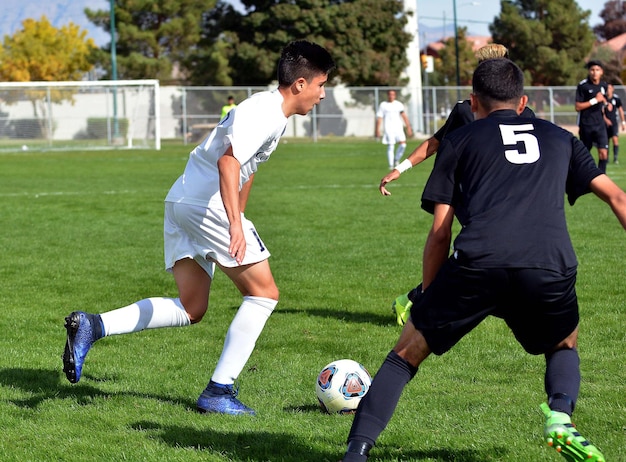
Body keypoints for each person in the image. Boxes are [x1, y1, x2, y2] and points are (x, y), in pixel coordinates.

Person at [341, 58, 626, 462]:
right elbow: (618, 198)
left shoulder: (462, 140)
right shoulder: (561, 138)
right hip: (548, 264)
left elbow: (440, 232)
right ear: (524, 100)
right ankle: (560, 416)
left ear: (473, 102)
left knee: (405, 354)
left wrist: (426, 294)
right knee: (564, 343)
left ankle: (356, 452)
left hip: (479, 262)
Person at [62, 40, 335, 416]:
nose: (322, 95)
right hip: (206, 204)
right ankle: (219, 391)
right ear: (301, 84)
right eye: (322, 85)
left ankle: (93, 325)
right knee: (264, 295)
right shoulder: (267, 111)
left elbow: (244, 169)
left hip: (182, 201)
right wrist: (235, 224)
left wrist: (240, 215)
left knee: (192, 308)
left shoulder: (270, 112)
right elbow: (228, 164)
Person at [381, 44, 534, 325]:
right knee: (470, 258)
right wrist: (400, 168)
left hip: (511, 198)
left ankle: (422, 301)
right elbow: (436, 142)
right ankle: (417, 300)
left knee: (483, 260)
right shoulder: (469, 111)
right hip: (476, 195)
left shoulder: (524, 114)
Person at [575, 60, 609, 173]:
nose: (595, 72)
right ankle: (583, 177)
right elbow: (578, 106)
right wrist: (595, 100)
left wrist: (606, 105)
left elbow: (603, 102)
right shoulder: (583, 86)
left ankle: (602, 177)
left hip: (600, 125)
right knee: (584, 155)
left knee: (604, 153)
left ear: (602, 72)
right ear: (589, 71)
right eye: (592, 70)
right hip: (586, 125)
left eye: (597, 70)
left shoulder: (604, 85)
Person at [375, 89, 413, 170]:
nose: (391, 96)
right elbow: (379, 118)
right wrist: (377, 129)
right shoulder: (383, 105)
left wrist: (408, 127)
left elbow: (404, 116)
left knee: (403, 144)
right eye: (390, 94)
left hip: (398, 128)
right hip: (388, 128)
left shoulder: (398, 104)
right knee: (391, 146)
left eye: (393, 94)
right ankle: (391, 165)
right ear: (387, 95)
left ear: (395, 95)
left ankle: (396, 159)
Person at [604, 83, 625, 164]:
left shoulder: (616, 99)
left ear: (613, 89)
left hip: (614, 123)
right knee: (606, 142)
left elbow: (620, 110)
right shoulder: (603, 98)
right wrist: (605, 120)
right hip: (604, 123)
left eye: (609, 88)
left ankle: (615, 158)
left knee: (615, 140)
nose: (608, 89)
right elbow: (601, 111)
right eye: (607, 88)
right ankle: (607, 158)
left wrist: (623, 122)